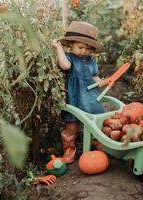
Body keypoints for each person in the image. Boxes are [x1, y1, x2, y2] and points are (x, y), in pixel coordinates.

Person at [52, 21, 106, 163]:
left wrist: (99, 81)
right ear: (71, 45)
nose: (84, 51)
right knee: (71, 123)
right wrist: (58, 48)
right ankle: (70, 149)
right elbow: (64, 65)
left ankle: (98, 143)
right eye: (80, 47)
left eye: (88, 49)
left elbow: (94, 76)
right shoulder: (70, 58)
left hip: (90, 96)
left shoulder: (91, 60)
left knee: (96, 120)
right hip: (74, 95)